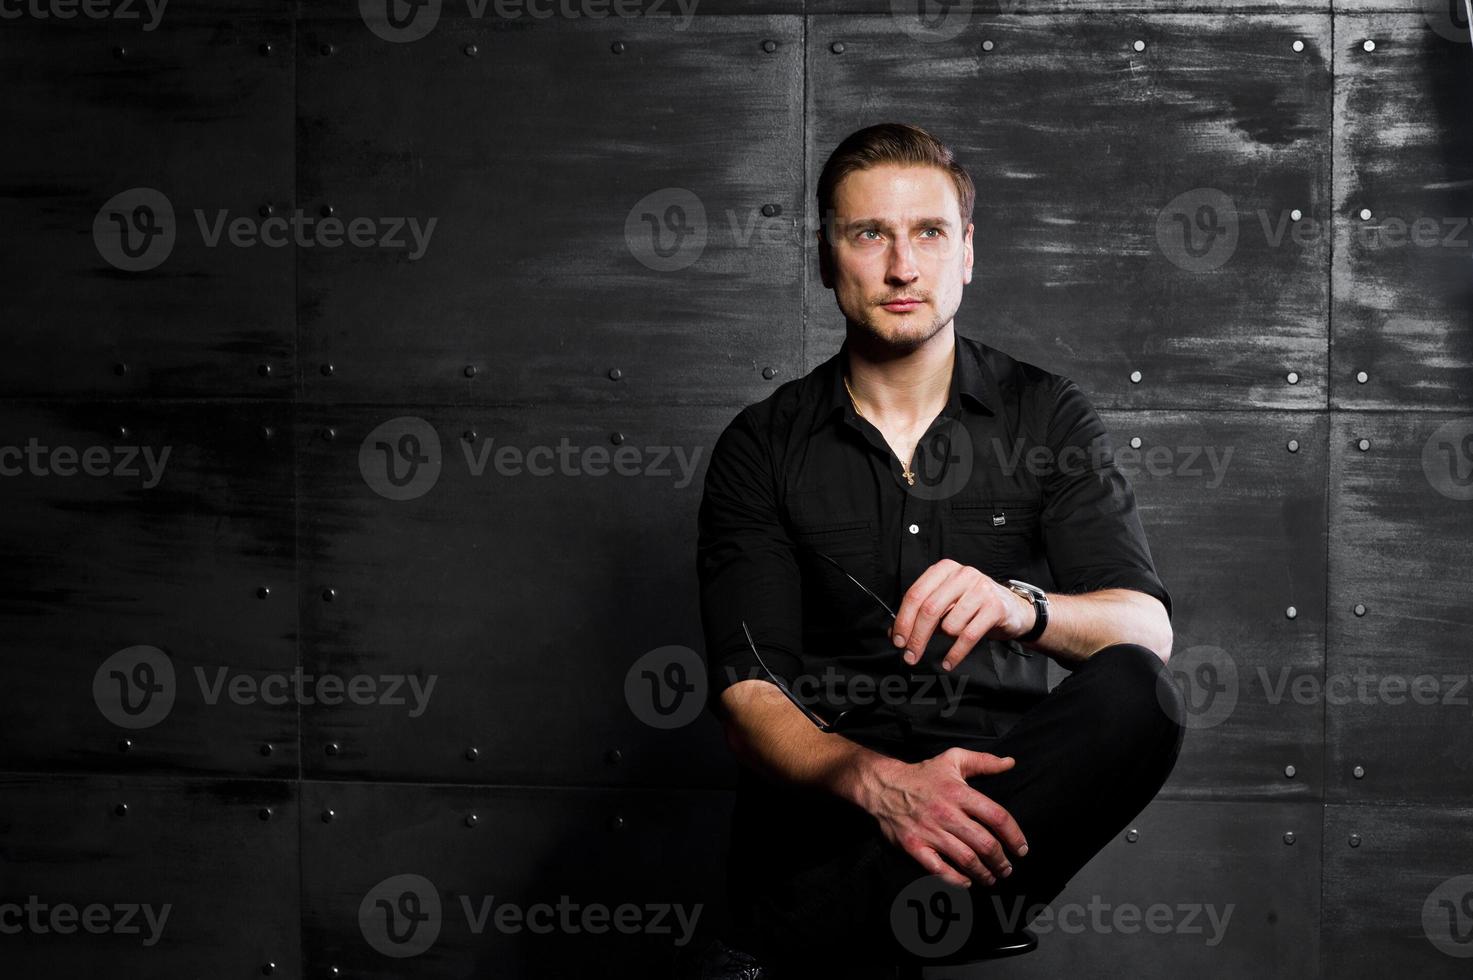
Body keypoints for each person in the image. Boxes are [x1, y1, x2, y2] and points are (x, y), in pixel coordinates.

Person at [695, 122, 1187, 976]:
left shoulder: (1047, 414)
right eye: (867, 234)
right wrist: (881, 784)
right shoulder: (761, 444)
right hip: (828, 817)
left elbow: (1144, 629)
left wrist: (1019, 608)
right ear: (825, 258)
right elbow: (750, 698)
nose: (900, 266)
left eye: (927, 232)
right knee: (834, 847)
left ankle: (781, 945)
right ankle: (871, 918)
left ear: (967, 252)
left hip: (990, 825)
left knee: (1138, 691)